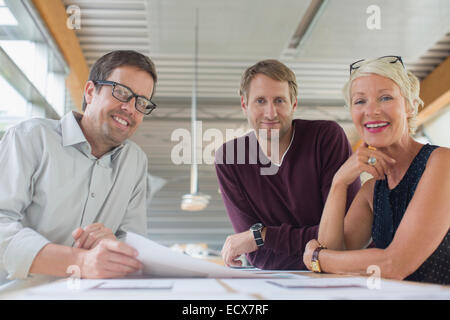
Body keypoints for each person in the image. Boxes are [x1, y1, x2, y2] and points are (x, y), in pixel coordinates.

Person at [0, 50, 158, 290]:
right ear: (91, 92)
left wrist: (113, 245)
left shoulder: (135, 161)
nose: (131, 108)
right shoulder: (29, 138)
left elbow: (135, 245)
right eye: (122, 93)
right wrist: (81, 262)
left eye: (142, 102)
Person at [303, 56, 450, 284]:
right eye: (360, 101)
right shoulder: (372, 191)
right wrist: (339, 182)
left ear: (410, 106)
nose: (371, 111)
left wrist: (317, 258)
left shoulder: (442, 162)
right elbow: (334, 258)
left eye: (385, 98)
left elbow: (394, 265)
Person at [215, 59, 360, 270]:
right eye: (260, 101)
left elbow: (346, 236)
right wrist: (318, 251)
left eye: (280, 101)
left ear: (294, 104)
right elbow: (259, 257)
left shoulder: (325, 138)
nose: (271, 113)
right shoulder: (230, 159)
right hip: (282, 284)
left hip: (345, 276)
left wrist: (263, 236)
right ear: (244, 104)